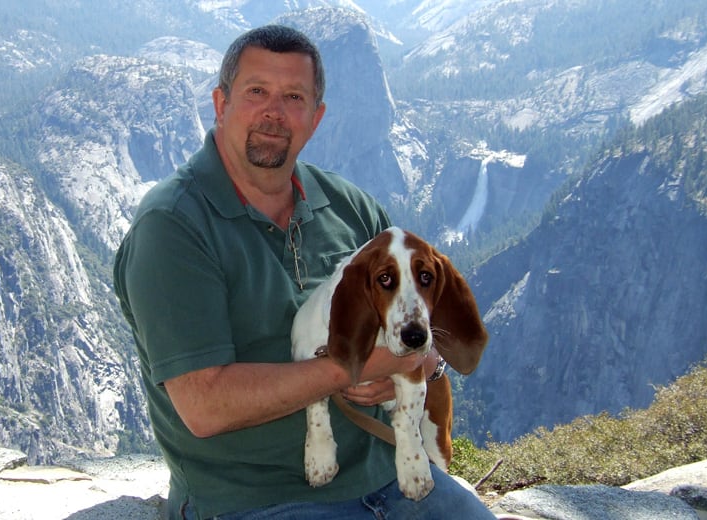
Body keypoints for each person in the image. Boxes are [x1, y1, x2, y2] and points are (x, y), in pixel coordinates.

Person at [113, 24, 495, 519]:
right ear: (220, 103)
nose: (274, 112)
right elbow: (204, 407)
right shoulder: (172, 228)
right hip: (255, 502)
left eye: (293, 96)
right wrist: (351, 367)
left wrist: (410, 366)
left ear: (316, 118)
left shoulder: (351, 209)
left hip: (389, 478)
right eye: (256, 92)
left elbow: (423, 341)